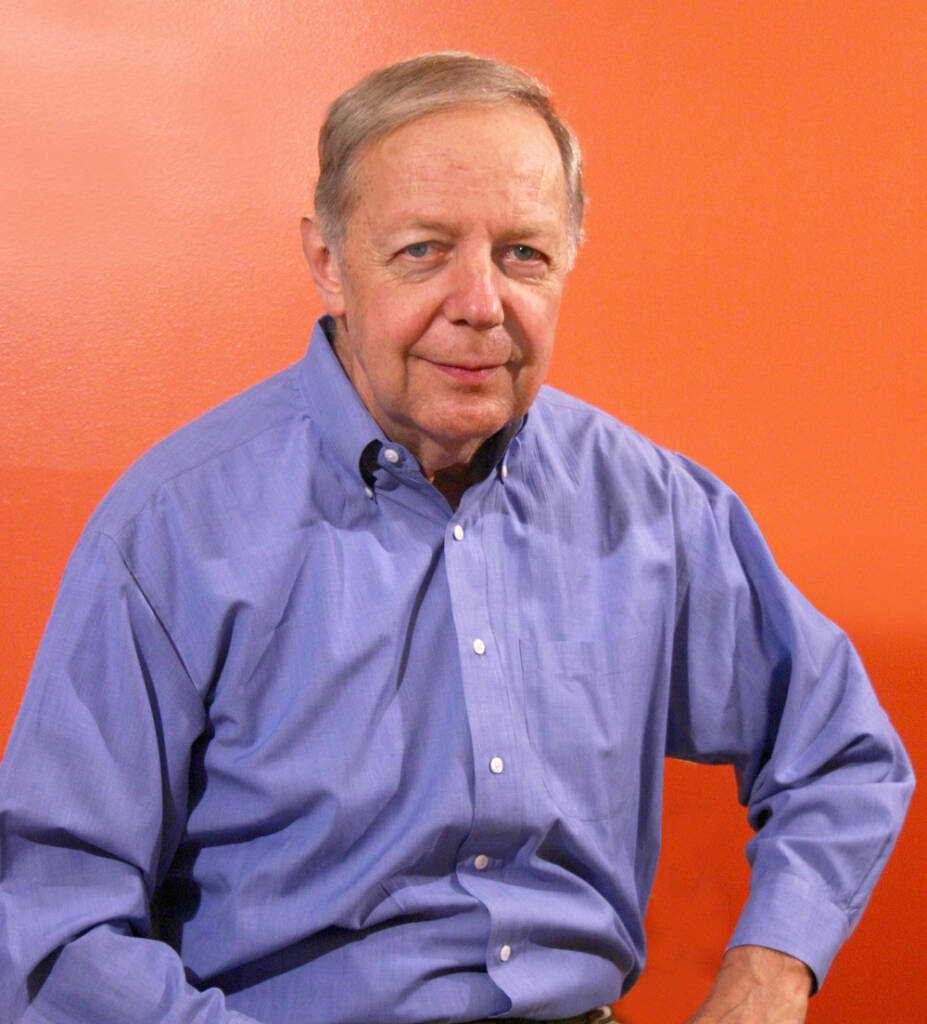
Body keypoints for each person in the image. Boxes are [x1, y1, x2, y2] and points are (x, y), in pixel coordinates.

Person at [0, 51, 913, 1024]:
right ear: (328, 259)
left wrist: (765, 979)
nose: (481, 305)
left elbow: (842, 752)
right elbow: (50, 923)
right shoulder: (173, 531)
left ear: (572, 253)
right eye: (424, 250)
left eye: (523, 252)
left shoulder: (649, 505)